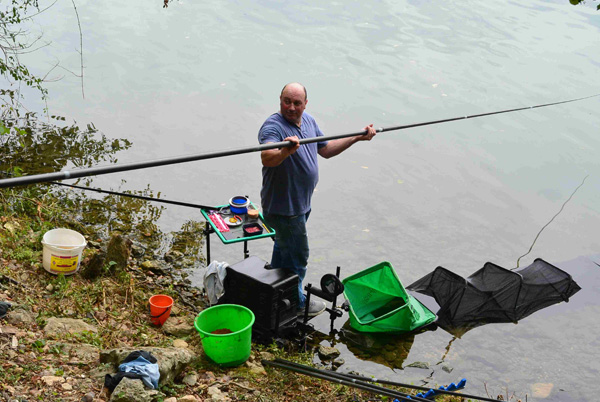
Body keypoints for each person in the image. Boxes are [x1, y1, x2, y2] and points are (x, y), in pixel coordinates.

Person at [258, 82, 377, 317]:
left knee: (284, 251)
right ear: (280, 100)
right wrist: (285, 151)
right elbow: (267, 157)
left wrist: (356, 137)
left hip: (301, 205)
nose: (291, 107)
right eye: (286, 101)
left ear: (305, 104)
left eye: (297, 103)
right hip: (284, 209)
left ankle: (274, 292)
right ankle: (298, 304)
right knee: (298, 256)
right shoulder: (273, 126)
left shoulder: (309, 121)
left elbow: (326, 149)